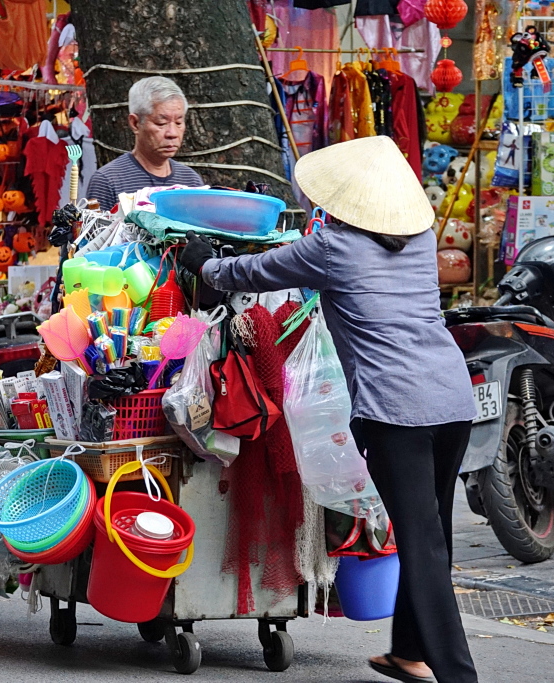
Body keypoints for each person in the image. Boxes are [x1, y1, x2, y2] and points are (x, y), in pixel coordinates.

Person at [181, 136, 479, 683]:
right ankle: (409, 651)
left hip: (397, 408)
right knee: (431, 531)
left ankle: (459, 675)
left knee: (421, 540)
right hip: (451, 397)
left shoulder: (332, 248)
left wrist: (206, 265)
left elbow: (253, 273)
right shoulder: (417, 239)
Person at [85, 76, 204, 211]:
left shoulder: (191, 182)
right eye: (161, 123)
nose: (172, 133)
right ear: (135, 123)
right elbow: (95, 232)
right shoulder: (108, 181)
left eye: (178, 122)